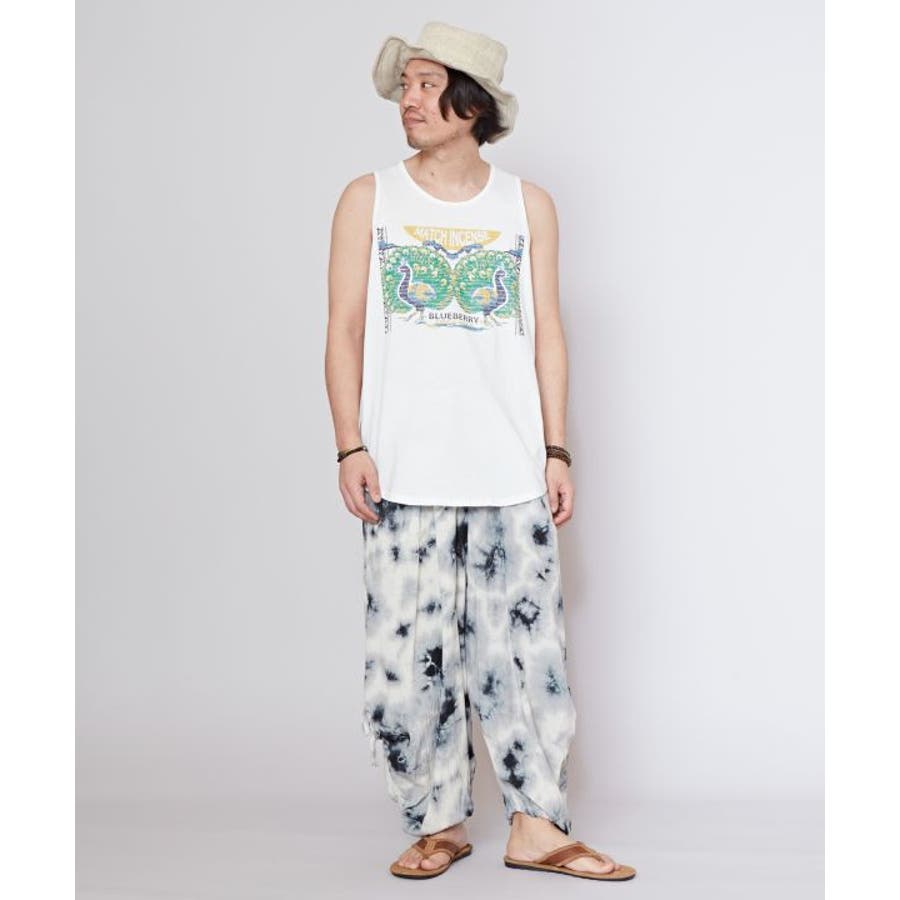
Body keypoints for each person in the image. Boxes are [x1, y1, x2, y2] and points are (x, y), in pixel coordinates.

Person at [324, 21, 636, 883]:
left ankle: (538, 825)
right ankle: (437, 821)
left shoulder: (526, 206)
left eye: (428, 84)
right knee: (407, 655)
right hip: (402, 467)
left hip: (509, 467)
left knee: (526, 654)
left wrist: (556, 449)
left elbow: (548, 334)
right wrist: (349, 444)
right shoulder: (368, 198)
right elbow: (344, 330)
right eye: (406, 86)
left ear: (473, 104)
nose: (410, 100)